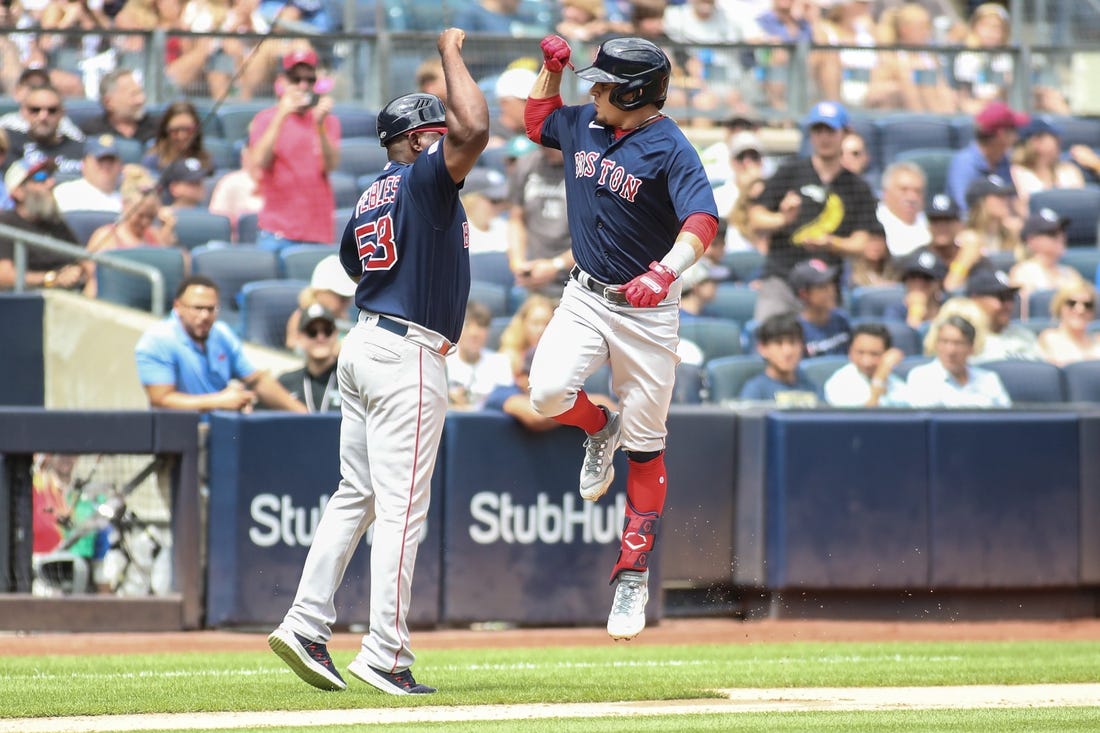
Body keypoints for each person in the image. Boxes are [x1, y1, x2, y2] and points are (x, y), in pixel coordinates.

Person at [268, 28, 488, 696]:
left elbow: (351, 262)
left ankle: (306, 621)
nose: (446, 136)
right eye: (436, 129)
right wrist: (452, 52)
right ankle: (385, 651)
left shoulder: (372, 193)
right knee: (399, 511)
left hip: (364, 342)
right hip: (407, 352)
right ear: (422, 139)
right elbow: (475, 127)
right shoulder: (425, 178)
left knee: (354, 495)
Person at [523, 35, 719, 641]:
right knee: (547, 393)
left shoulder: (670, 146)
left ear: (635, 91)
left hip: (647, 311)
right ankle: (595, 427)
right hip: (586, 293)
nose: (592, 88)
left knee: (648, 445)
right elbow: (537, 124)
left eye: (603, 82)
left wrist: (664, 271)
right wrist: (548, 70)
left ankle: (632, 573)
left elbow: (703, 220)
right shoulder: (583, 121)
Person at [749, 101, 878, 322]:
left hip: (825, 285)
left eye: (830, 130)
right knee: (769, 335)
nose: (824, 137)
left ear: (845, 134)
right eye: (818, 130)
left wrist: (831, 243)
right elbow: (756, 218)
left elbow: (862, 243)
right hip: (783, 278)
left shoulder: (857, 187)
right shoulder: (790, 171)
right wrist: (783, 219)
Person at [134, 275, 308, 414]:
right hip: (177, 437)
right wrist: (220, 401)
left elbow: (256, 380)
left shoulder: (221, 333)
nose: (204, 316)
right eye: (197, 308)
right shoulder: (158, 339)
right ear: (178, 306)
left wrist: (306, 416)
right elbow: (161, 399)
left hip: (219, 432)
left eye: (210, 309)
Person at [249, 48, 341, 252]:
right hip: (277, 230)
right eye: (295, 79)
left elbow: (330, 165)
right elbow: (260, 161)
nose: (303, 85)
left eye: (309, 79)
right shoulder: (266, 118)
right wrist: (282, 115)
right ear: (282, 81)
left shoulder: (327, 121)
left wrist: (320, 125)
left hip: (317, 230)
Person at [83, 164, 178, 297]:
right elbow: (93, 274)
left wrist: (168, 229)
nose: (145, 222)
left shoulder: (156, 235)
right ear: (125, 206)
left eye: (150, 217)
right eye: (140, 215)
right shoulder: (106, 236)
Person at [0, 158, 84, 291]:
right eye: (40, 178)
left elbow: (82, 258)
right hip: (31, 301)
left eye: (50, 176)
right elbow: (4, 276)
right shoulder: (5, 223)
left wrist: (78, 270)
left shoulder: (55, 221)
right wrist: (51, 278)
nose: (51, 183)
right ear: (18, 192)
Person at [866, 2, 957, 114]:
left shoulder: (930, 59)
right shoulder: (890, 57)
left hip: (934, 113)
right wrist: (901, 85)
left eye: (928, 27)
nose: (927, 32)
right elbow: (873, 94)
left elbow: (943, 88)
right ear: (905, 29)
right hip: (899, 116)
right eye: (922, 27)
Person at [507, 144, 573, 298]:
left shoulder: (586, 168)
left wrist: (556, 265)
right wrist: (517, 263)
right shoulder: (527, 164)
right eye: (542, 145)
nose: (545, 149)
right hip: (534, 276)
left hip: (576, 279)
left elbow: (596, 237)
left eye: (550, 145)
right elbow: (516, 219)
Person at [906, 313, 1011, 407]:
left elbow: (1006, 420)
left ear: (971, 348)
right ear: (936, 344)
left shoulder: (989, 380)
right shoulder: (921, 377)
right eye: (944, 342)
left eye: (958, 343)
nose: (950, 351)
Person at [946, 100, 1028, 218]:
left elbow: (1013, 202)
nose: (1017, 137)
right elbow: (965, 212)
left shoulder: (1004, 161)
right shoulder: (965, 164)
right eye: (1013, 130)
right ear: (1001, 135)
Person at [1009, 208, 1083, 314]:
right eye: (1052, 233)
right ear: (1031, 240)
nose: (1060, 237)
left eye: (1062, 231)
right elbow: (1024, 313)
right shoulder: (1022, 272)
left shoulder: (1070, 273)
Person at [2, 83, 84, 178]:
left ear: (62, 113)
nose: (43, 117)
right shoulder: (8, 144)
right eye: (35, 110)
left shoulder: (82, 150)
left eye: (52, 110)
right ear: (23, 112)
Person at [740, 312, 820, 405]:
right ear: (762, 348)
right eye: (779, 343)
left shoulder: (811, 388)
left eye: (793, 342)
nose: (787, 351)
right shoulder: (755, 390)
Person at [446, 300, 514, 410]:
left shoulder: (500, 362)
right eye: (467, 325)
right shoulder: (444, 361)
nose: (474, 333)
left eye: (481, 326)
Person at [965, 268, 1043, 363]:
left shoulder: (1024, 335)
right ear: (975, 300)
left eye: (1010, 298)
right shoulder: (965, 341)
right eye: (1001, 297)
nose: (1008, 305)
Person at [823, 322, 909, 407]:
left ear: (887, 354)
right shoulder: (838, 383)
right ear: (850, 352)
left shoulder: (897, 383)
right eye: (860, 353)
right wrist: (879, 380)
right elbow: (865, 418)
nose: (866, 362)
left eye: (874, 354)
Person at [1010, 116, 1086, 211]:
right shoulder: (1017, 173)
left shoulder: (1069, 170)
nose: (1059, 140)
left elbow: (1081, 204)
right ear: (1036, 141)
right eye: (1054, 137)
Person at [277, 303, 342, 413]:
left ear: (335, 334)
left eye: (327, 331)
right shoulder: (284, 384)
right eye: (312, 332)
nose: (320, 337)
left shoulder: (351, 380)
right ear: (299, 337)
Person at [284, 254, 357, 349]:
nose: (347, 302)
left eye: (349, 298)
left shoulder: (343, 316)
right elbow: (292, 344)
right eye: (341, 297)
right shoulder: (300, 317)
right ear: (320, 292)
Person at [790, 258, 851, 358]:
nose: (831, 291)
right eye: (822, 287)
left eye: (831, 284)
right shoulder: (796, 330)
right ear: (804, 294)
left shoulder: (841, 319)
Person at [78, 69, 159, 144]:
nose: (141, 100)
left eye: (140, 93)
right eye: (133, 95)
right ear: (108, 102)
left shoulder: (159, 128)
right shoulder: (91, 132)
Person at [52, 134, 123, 214]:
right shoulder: (65, 193)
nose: (106, 166)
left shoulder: (126, 201)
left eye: (111, 160)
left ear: (120, 165)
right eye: (100, 160)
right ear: (84, 164)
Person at [207, 142, 264, 241]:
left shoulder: (283, 181)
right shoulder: (230, 182)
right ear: (244, 156)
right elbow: (218, 223)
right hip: (237, 243)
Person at [141, 100, 214, 176]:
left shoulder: (206, 159)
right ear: (166, 131)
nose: (182, 136)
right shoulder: (153, 160)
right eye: (175, 131)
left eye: (188, 130)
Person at [1037, 281, 1100, 366]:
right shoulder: (1049, 338)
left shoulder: (1097, 340)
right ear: (1060, 307)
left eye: (1087, 305)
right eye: (1072, 303)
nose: (1080, 309)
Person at [877, 161, 931, 258]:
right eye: (903, 190)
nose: (911, 197)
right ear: (886, 192)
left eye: (917, 191)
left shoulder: (932, 223)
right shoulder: (875, 222)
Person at [884, 248, 947, 329]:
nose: (918, 283)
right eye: (913, 277)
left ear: (938, 283)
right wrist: (914, 314)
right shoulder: (896, 312)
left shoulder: (948, 308)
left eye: (926, 277)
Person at [497, 291, 555, 374]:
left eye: (546, 323)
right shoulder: (509, 356)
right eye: (535, 323)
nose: (541, 330)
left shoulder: (557, 357)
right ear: (523, 323)